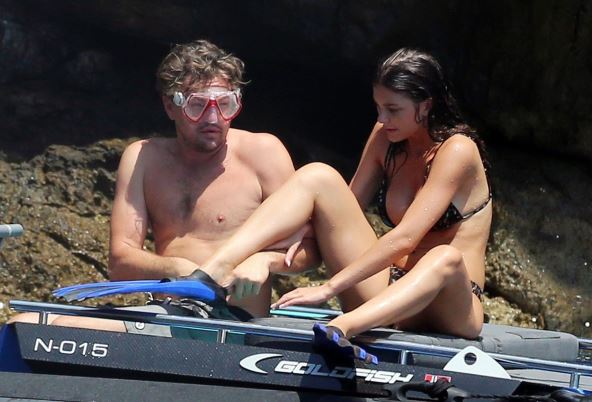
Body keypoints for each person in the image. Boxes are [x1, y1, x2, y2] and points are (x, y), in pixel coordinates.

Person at [197, 48, 492, 362]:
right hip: (389, 293)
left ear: (426, 105)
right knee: (319, 176)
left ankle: (339, 329)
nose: (382, 119)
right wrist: (268, 257)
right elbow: (338, 212)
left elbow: (406, 238)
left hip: (450, 304)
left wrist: (329, 289)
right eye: (378, 107)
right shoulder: (386, 137)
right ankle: (212, 271)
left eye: (393, 109)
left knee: (445, 256)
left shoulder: (458, 150)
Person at [8, 39, 319, 333]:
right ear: (171, 106)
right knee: (21, 325)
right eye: (197, 106)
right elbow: (121, 262)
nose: (213, 117)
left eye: (225, 104)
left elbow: (310, 249)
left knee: (35, 327)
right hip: (165, 317)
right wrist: (179, 269)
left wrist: (263, 261)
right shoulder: (144, 158)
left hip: (233, 322)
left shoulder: (263, 153)